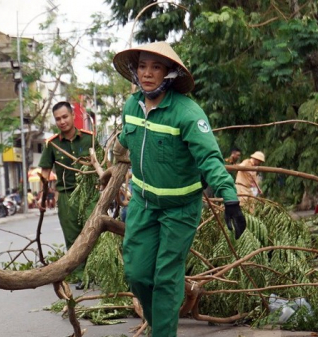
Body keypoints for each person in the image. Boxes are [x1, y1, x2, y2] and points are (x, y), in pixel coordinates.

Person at [110, 41, 247, 337]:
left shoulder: (187, 113)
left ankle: (162, 333)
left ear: (169, 73)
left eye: (155, 67)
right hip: (143, 205)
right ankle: (159, 325)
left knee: (166, 278)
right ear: (135, 71)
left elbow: (210, 158)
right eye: (143, 66)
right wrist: (113, 155)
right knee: (137, 274)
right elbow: (126, 140)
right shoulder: (131, 106)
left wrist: (230, 197)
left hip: (179, 211)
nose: (147, 73)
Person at [38, 101, 96, 290]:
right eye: (58, 119)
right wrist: (42, 196)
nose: (62, 121)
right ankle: (80, 275)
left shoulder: (89, 139)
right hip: (66, 196)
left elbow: (103, 165)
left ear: (72, 115)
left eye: (65, 117)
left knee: (93, 233)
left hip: (89, 195)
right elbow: (45, 172)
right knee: (72, 237)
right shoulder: (52, 144)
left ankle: (94, 271)